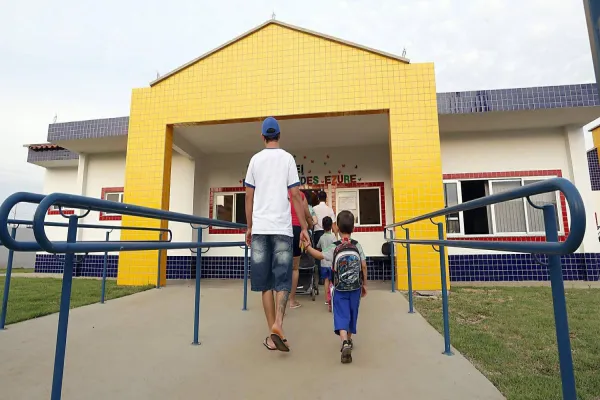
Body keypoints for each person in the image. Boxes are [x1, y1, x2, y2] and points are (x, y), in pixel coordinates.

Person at [244, 116, 309, 352]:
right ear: (279, 136)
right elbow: (296, 195)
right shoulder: (288, 159)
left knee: (265, 284)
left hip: (261, 229)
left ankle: (272, 335)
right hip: (282, 229)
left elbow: (248, 196)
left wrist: (249, 226)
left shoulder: (255, 160)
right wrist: (304, 227)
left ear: (263, 137)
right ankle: (278, 324)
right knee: (282, 280)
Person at [302, 210, 367, 364]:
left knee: (341, 313)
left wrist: (308, 247)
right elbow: (363, 265)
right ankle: (349, 339)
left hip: (339, 288)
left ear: (336, 227)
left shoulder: (335, 247)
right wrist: (364, 283)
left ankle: (344, 341)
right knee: (352, 313)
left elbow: (319, 255)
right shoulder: (357, 245)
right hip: (355, 288)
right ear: (353, 228)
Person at [288, 189, 313, 309]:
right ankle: (292, 301)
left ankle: (278, 304)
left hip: (281, 229)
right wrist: (310, 225)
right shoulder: (300, 194)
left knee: (278, 267)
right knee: (294, 268)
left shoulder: (279, 191)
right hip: (296, 229)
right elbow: (307, 214)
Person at [317, 216, 336, 311]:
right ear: (331, 225)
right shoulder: (333, 237)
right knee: (332, 281)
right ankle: (332, 297)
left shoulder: (321, 237)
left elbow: (318, 246)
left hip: (323, 262)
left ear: (322, 226)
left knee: (326, 281)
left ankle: (326, 299)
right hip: (332, 263)